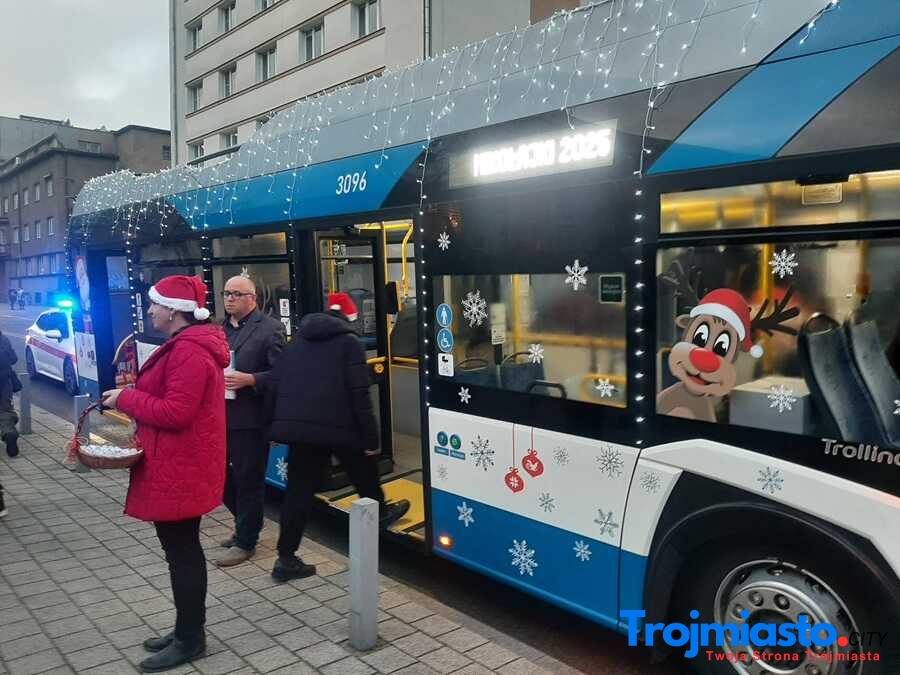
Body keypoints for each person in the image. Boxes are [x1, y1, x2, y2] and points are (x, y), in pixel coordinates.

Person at [101, 275, 229, 673]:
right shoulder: (185, 346)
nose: (150, 310)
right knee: (180, 553)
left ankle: (191, 639)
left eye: (155, 304)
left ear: (173, 310)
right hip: (178, 465)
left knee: (184, 555)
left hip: (181, 468)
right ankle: (185, 630)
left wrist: (126, 398)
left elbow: (177, 412)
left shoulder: (188, 352)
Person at [267, 292, 410, 582]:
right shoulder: (349, 344)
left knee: (297, 493)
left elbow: (277, 383)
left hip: (303, 432)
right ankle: (378, 511)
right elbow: (360, 397)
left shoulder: (299, 341)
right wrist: (372, 439)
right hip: (340, 427)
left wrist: (275, 426)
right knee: (363, 469)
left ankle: (285, 558)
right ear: (348, 319)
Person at [216, 274, 285, 567]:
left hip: (251, 421)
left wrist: (251, 379)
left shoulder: (270, 329)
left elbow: (285, 375)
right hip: (219, 418)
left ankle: (246, 541)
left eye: (236, 294)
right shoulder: (217, 330)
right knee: (219, 479)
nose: (229, 298)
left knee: (248, 482)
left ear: (252, 298)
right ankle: (247, 523)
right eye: (226, 293)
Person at [0, 327, 19, 458]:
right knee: (5, 410)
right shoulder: (3, 339)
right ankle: (9, 432)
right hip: (4, 382)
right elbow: (13, 359)